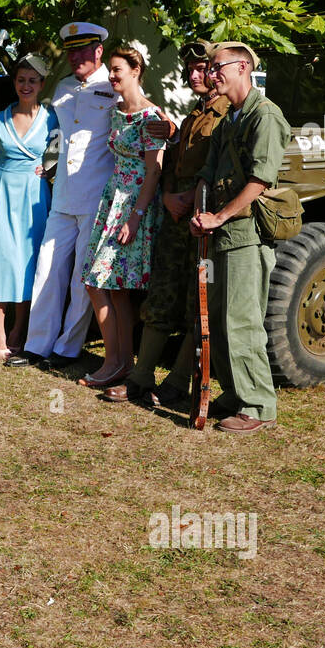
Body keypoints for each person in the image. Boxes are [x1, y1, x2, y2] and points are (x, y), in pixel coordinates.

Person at [106, 40, 230, 406]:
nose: (194, 75)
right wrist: (167, 196)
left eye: (201, 68)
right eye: (189, 69)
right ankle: (140, 376)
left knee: (197, 304)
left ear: (216, 71)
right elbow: (172, 164)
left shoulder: (228, 115)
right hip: (177, 221)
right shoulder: (195, 114)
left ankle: (178, 383)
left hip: (205, 222)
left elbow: (224, 169)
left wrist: (189, 199)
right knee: (160, 298)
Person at [190, 41, 289, 434]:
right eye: (210, 68)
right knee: (218, 318)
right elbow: (208, 172)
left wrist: (219, 217)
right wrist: (201, 212)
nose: (211, 74)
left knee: (243, 321)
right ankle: (234, 394)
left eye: (217, 67)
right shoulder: (230, 118)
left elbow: (261, 180)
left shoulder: (265, 116)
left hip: (246, 233)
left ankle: (258, 405)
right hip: (219, 233)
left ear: (243, 67)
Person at [22, 23, 116, 369]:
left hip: (95, 195)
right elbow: (57, 138)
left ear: (98, 51)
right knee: (47, 268)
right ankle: (37, 344)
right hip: (62, 194)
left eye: (83, 50)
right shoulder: (62, 88)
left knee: (81, 276)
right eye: (71, 51)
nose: (76, 57)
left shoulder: (114, 86)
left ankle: (68, 348)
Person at [77, 46, 169, 387]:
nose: (112, 76)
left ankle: (119, 363)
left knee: (114, 286)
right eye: (110, 70)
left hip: (135, 205)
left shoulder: (151, 118)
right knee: (98, 283)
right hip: (111, 200)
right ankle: (116, 360)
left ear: (135, 71)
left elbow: (154, 172)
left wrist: (135, 217)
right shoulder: (116, 112)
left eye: (117, 69)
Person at [0, 54, 58, 364]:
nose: (26, 85)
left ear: (41, 84)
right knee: (1, 259)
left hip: (35, 197)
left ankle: (19, 329)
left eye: (32, 81)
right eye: (21, 80)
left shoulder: (53, 120)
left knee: (29, 260)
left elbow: (58, 161)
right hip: (1, 193)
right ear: (14, 83)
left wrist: (48, 171)